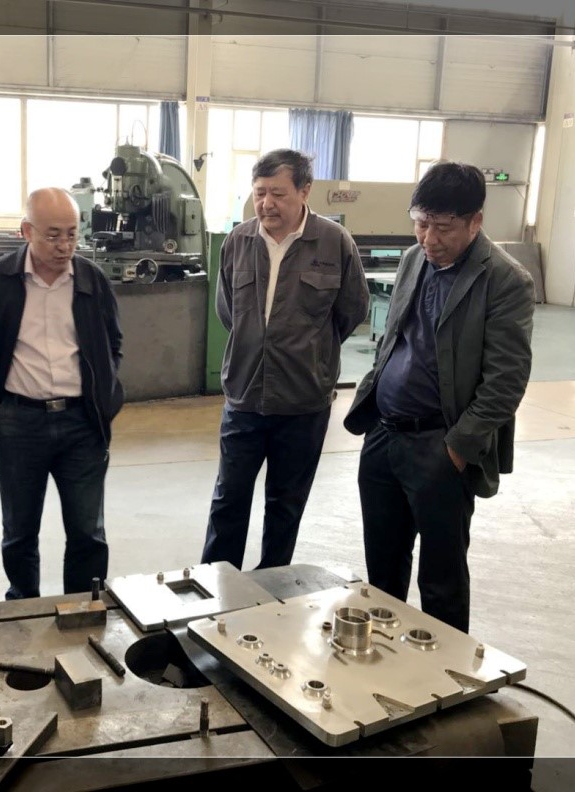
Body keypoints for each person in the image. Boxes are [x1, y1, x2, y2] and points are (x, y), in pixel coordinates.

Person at [344, 161, 535, 634]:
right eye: (421, 223)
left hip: (439, 446)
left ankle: (444, 672)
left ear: (475, 221)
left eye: (443, 227)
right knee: (382, 571)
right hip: (384, 436)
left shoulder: (505, 281)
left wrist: (457, 447)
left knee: (442, 581)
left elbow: (506, 380)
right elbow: (394, 339)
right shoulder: (413, 260)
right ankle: (384, 660)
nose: (429, 239)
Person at [202, 148, 369, 570]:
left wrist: (310, 354)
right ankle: (215, 587)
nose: (266, 204)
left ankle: (271, 586)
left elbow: (351, 311)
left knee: (285, 505)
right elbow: (228, 311)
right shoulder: (238, 242)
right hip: (244, 398)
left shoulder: (334, 243)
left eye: (277, 193)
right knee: (228, 501)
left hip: (303, 404)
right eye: (259, 193)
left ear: (304, 191)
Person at [0, 187, 124, 600]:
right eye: (53, 235)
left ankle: (83, 609)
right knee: (19, 531)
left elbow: (113, 343)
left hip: (82, 424)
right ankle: (22, 608)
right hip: (19, 422)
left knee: (88, 531)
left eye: (72, 234)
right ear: (26, 231)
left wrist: (103, 398)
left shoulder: (91, 280)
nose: (64, 246)